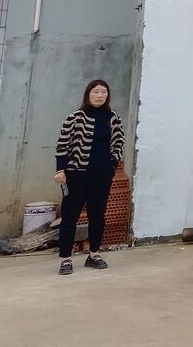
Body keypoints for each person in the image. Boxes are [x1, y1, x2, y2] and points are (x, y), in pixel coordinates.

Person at [54, 79, 123, 275]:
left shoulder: (113, 118)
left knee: (97, 215)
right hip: (76, 174)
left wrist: (111, 166)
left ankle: (94, 254)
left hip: (102, 175)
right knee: (70, 215)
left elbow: (118, 145)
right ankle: (65, 259)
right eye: (96, 92)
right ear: (88, 94)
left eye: (103, 92)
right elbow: (62, 146)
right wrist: (60, 170)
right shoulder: (75, 117)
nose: (100, 95)